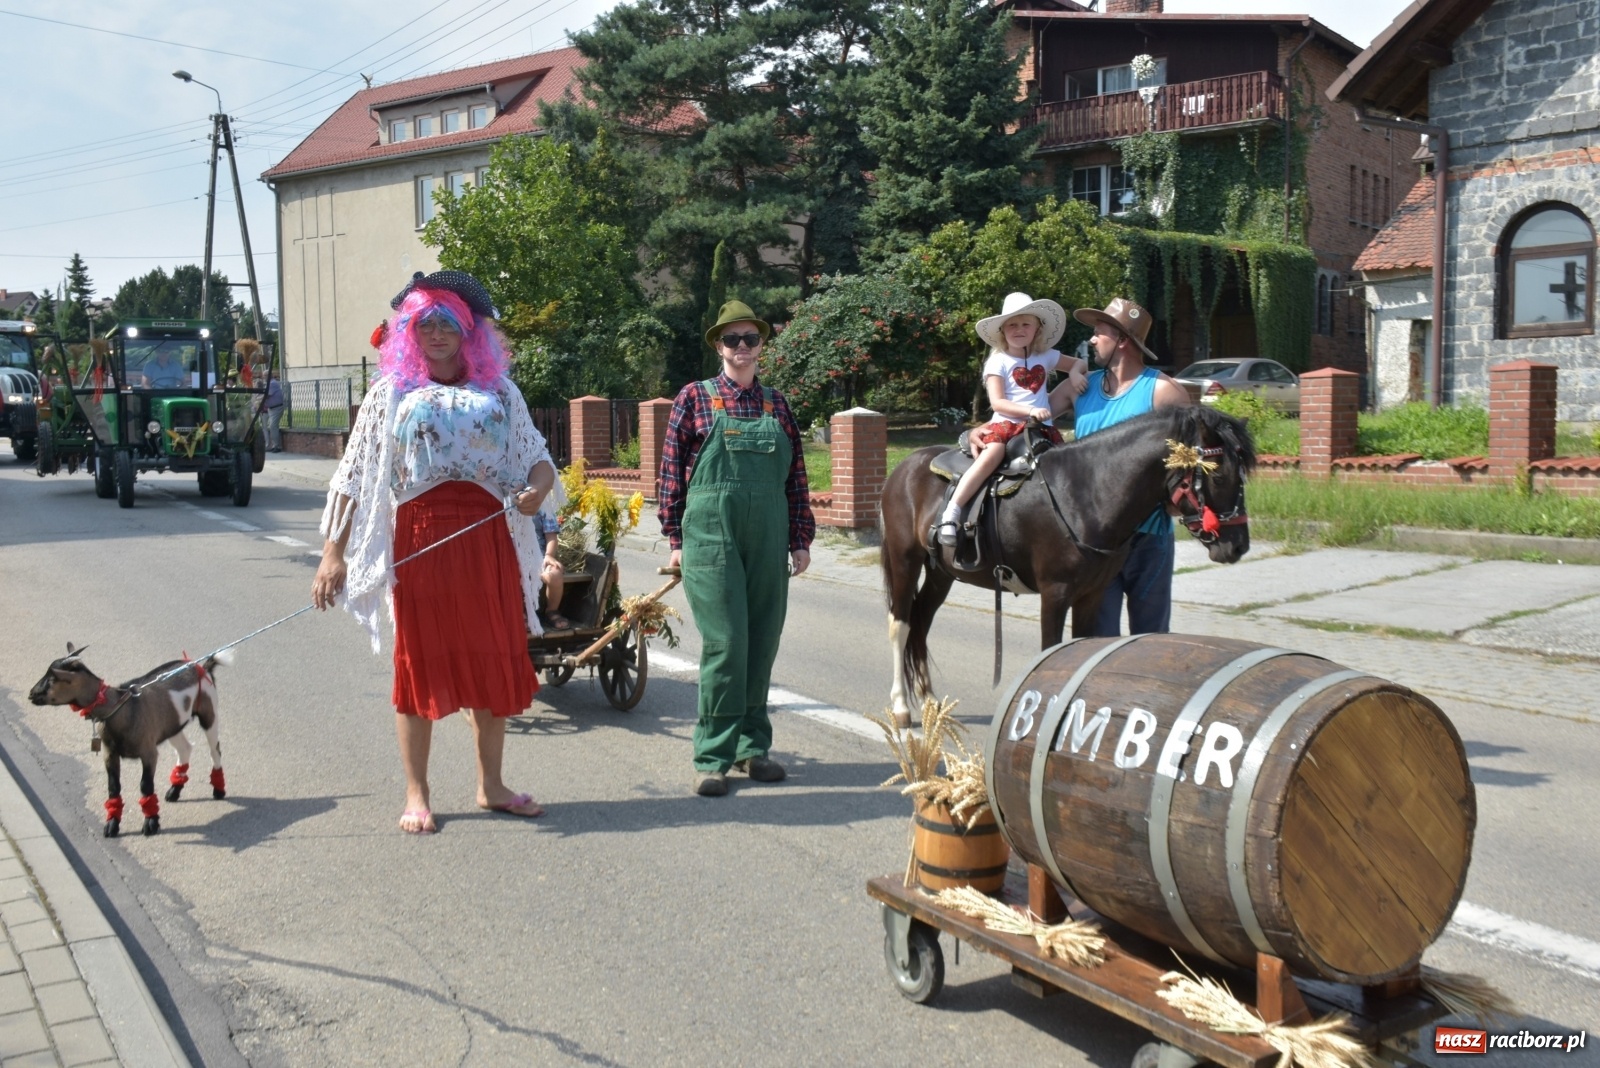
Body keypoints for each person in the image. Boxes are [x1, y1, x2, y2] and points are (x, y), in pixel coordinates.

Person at [310, 270, 561, 834]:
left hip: (487, 537)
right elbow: (354, 477)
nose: (439, 334)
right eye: (426, 324)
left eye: (450, 323)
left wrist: (537, 492)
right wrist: (333, 553)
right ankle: (417, 792)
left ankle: (491, 786)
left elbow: (538, 459)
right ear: (410, 332)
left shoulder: (499, 392)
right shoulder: (392, 394)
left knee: (493, 655)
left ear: (469, 331)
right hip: (421, 538)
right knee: (418, 662)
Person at [659, 299, 814, 797]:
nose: (741, 348)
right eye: (732, 340)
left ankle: (752, 748)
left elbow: (796, 478)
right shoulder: (694, 398)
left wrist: (800, 538)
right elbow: (669, 476)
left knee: (761, 641)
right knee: (727, 643)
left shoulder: (777, 404)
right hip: (710, 534)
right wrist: (676, 539)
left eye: (750, 339)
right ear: (718, 347)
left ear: (761, 345)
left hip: (768, 536)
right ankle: (713, 754)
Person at [1070, 297, 1192, 636]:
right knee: (1096, 641)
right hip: (1095, 539)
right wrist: (985, 431)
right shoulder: (1083, 387)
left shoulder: (1164, 393)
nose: (1092, 340)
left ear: (1123, 340)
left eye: (1100, 333)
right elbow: (1028, 414)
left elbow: (1189, 463)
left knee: (1150, 641)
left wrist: (1175, 501)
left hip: (1149, 539)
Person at [936, 292, 1087, 546]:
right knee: (992, 454)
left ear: (1037, 328)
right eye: (1012, 325)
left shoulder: (1046, 356)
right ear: (1002, 331)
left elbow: (1080, 363)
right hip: (1007, 424)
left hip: (1042, 427)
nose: (1019, 329)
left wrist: (1074, 373)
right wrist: (1029, 411)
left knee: (1066, 464)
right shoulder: (998, 362)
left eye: (1026, 323)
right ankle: (952, 510)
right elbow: (997, 403)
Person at [533, 510, 571, 631]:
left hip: (540, 558)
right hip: (514, 557)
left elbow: (551, 537)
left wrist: (549, 555)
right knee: (515, 575)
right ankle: (521, 610)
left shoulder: (543, 509)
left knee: (555, 574)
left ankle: (551, 610)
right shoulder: (506, 504)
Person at [263, 370, 285, 452]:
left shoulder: (273, 384)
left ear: (268, 376)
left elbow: (266, 395)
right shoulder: (270, 384)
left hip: (277, 408)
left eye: (264, 376)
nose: (263, 378)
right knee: (272, 427)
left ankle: (277, 446)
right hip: (271, 409)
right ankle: (274, 445)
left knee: (273, 426)